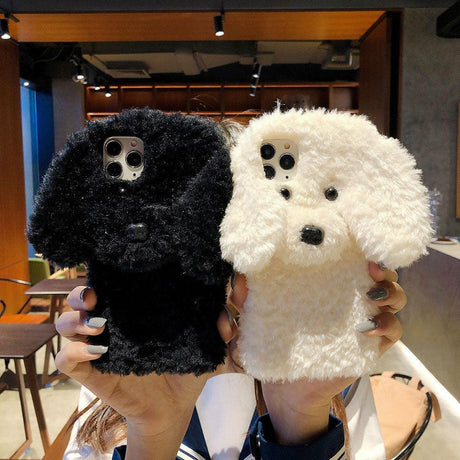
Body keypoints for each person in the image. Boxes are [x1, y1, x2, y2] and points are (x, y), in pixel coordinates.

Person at [56, 262, 406, 460]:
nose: (225, 287)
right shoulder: (125, 377)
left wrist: (300, 419)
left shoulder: (328, 375)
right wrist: (152, 435)